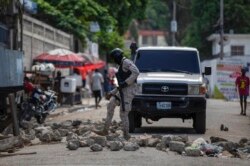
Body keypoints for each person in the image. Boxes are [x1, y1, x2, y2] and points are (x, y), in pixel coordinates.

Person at [94, 48, 139, 140]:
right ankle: (105, 130)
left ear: (117, 57)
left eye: (114, 59)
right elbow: (121, 86)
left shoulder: (126, 62)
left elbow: (136, 72)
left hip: (129, 91)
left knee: (123, 113)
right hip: (123, 90)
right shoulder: (121, 65)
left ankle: (126, 135)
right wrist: (112, 92)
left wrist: (126, 82)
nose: (114, 61)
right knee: (110, 104)